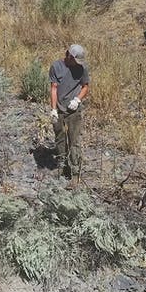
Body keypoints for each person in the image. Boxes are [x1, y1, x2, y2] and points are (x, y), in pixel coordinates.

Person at [49, 44, 90, 188]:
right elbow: (54, 88)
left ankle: (75, 174)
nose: (77, 64)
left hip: (74, 110)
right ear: (70, 56)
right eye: (75, 60)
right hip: (59, 109)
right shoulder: (56, 66)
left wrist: (78, 99)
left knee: (74, 141)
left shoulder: (82, 68)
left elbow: (85, 86)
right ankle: (62, 167)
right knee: (60, 138)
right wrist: (53, 109)